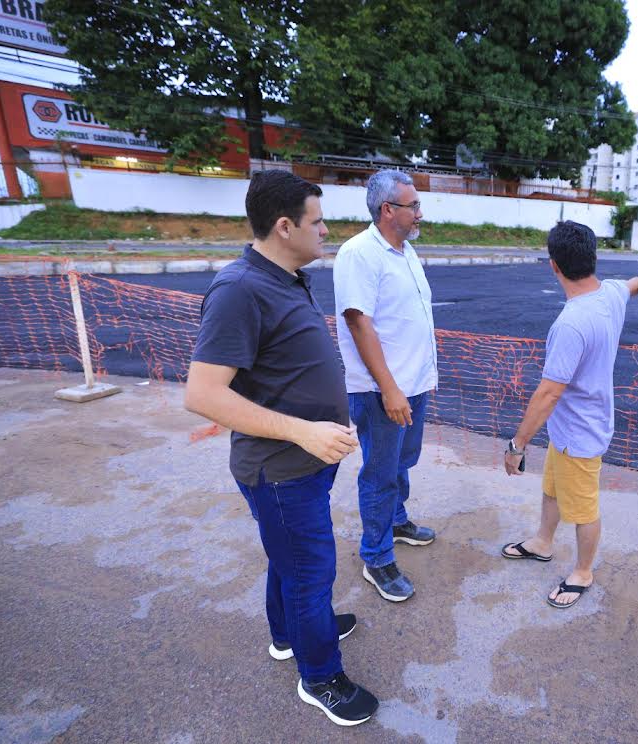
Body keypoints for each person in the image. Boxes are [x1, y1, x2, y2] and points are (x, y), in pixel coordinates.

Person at [185, 170, 378, 727]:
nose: (328, 232)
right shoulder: (239, 289)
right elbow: (202, 394)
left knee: (291, 561)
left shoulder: (286, 274)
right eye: (318, 222)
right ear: (285, 225)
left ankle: (287, 633)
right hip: (280, 469)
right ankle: (320, 677)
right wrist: (303, 431)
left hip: (306, 466)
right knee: (309, 572)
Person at [500, 221, 638, 608]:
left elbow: (549, 392)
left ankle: (583, 572)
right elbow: (634, 285)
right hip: (568, 430)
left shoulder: (571, 324)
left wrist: (517, 444)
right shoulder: (609, 294)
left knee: (584, 508)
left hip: (581, 433)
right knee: (553, 489)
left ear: (554, 266)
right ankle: (542, 541)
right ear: (593, 258)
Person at [334, 169, 438, 603]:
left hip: (412, 383)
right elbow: (359, 322)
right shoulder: (360, 253)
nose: (419, 212)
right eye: (412, 205)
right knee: (379, 472)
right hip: (382, 390)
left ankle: (395, 521)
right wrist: (390, 389)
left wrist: (417, 381)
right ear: (387, 210)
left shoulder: (406, 251)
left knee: (401, 462)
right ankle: (376, 557)